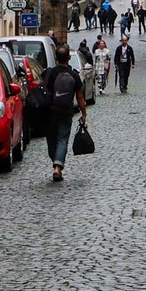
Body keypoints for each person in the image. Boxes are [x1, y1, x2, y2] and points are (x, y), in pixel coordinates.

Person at [40, 31, 88, 182]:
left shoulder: (50, 73)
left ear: (55, 58)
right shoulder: (74, 75)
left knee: (52, 139)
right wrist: (84, 113)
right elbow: (80, 96)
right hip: (66, 111)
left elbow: (43, 91)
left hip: (50, 112)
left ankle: (56, 163)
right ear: (68, 58)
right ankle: (57, 166)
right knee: (62, 139)